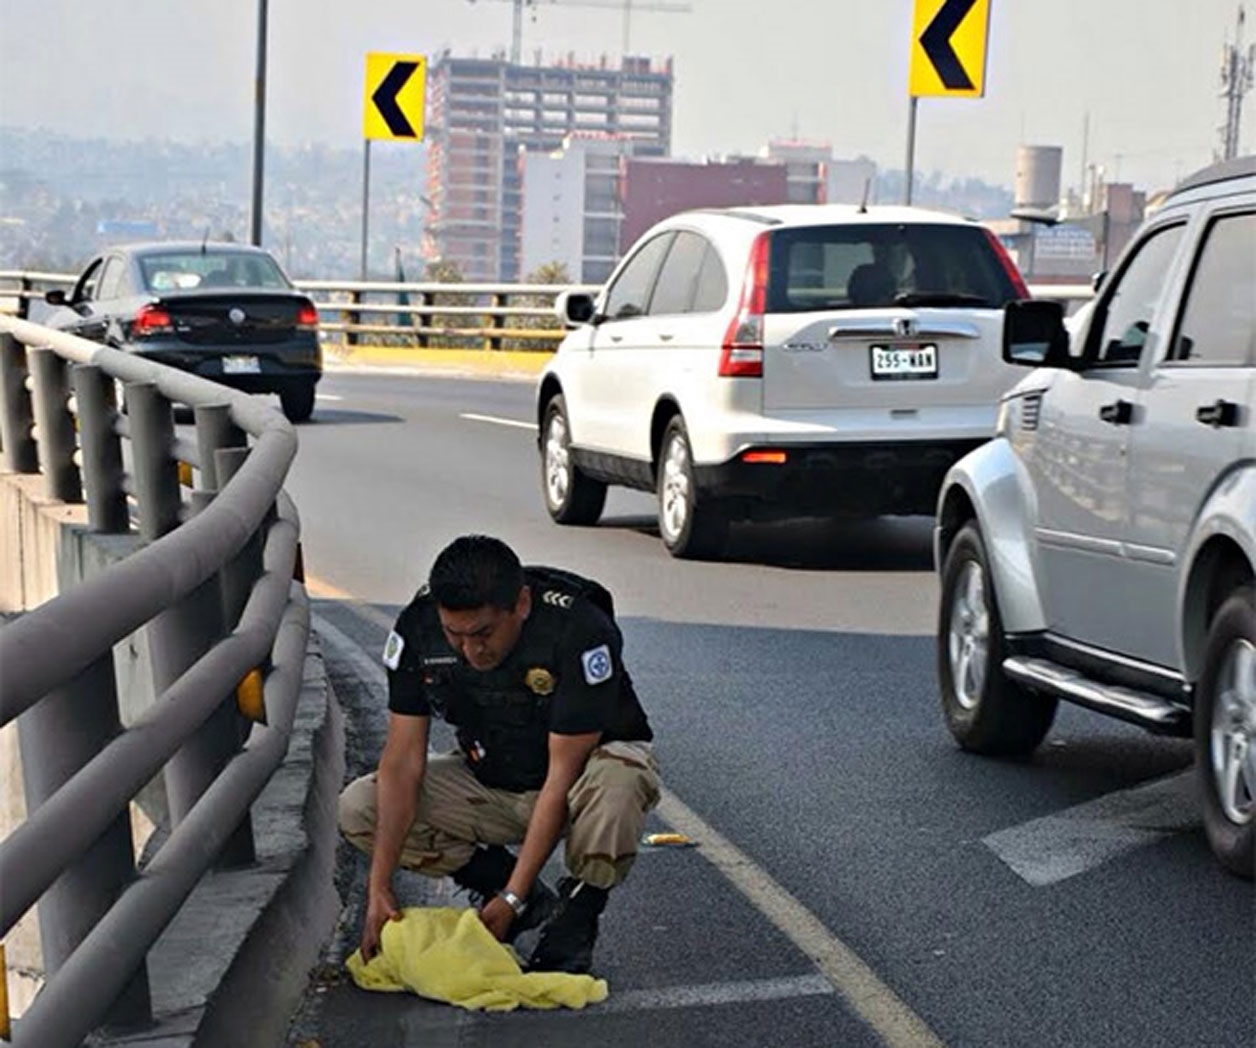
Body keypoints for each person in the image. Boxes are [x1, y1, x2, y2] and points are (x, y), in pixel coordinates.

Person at [339, 535, 660, 975]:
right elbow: (401, 762)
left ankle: (578, 913)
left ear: (521, 604)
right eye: (456, 635)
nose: (471, 651)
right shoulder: (418, 630)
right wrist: (380, 887)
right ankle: (503, 887)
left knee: (620, 780)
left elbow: (561, 777)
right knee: (360, 807)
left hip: (575, 795)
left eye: (484, 634)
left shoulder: (577, 630)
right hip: (492, 781)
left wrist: (513, 894)